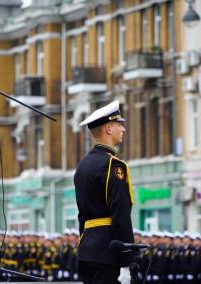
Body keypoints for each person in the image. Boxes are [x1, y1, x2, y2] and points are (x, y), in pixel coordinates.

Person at [74, 100, 135, 283]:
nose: (123, 129)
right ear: (108, 128)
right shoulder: (113, 165)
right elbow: (120, 215)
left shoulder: (82, 166)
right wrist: (126, 262)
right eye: (119, 125)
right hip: (109, 254)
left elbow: (82, 216)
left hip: (87, 251)